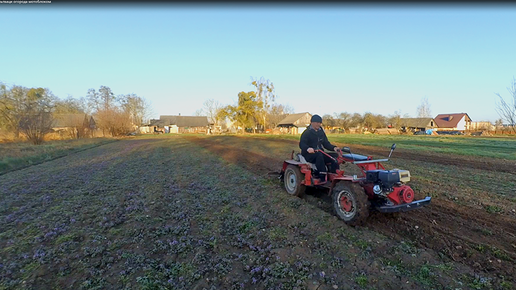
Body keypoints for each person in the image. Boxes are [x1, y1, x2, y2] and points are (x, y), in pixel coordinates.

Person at [299, 114, 340, 182]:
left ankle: (334, 175)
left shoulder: (321, 132)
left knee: (334, 157)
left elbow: (326, 143)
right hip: (308, 154)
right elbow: (302, 144)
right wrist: (308, 148)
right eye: (317, 122)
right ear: (312, 122)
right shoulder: (307, 133)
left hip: (320, 152)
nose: (319, 124)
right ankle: (322, 176)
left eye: (320, 123)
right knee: (319, 155)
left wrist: (334, 148)